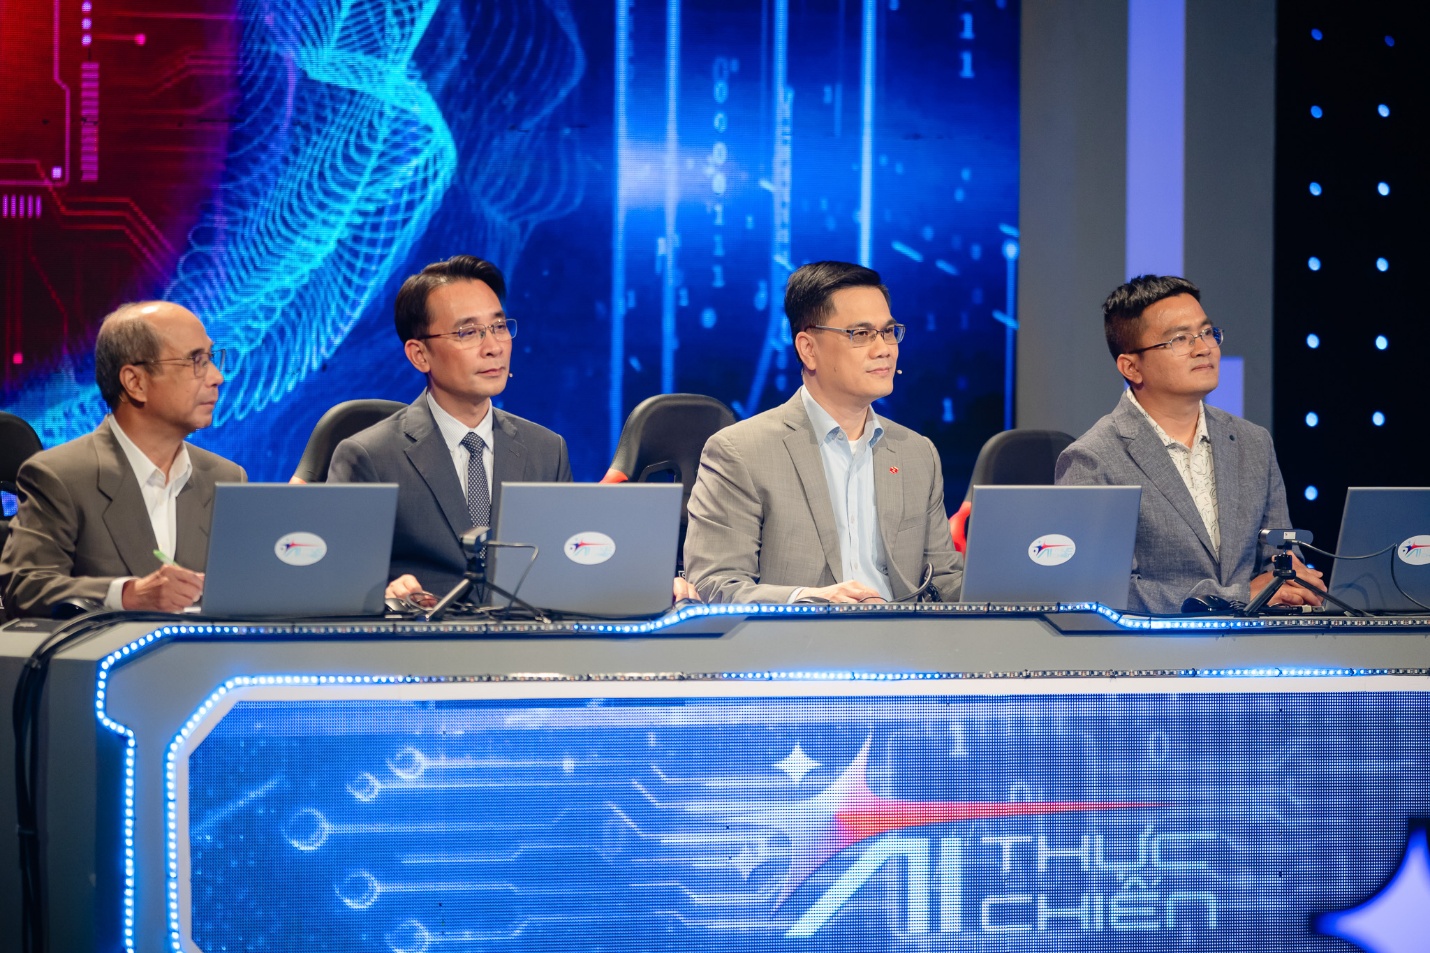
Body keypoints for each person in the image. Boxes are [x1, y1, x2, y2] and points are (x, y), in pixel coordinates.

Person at [683, 260, 964, 604]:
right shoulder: (740, 452)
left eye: (889, 332)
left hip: (903, 634)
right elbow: (714, 584)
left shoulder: (917, 453)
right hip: (797, 635)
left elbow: (944, 581)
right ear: (808, 349)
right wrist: (811, 600)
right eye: (861, 334)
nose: (884, 349)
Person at [1054, 274, 1322, 614]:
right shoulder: (1092, 459)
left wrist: (1292, 580)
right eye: (1180, 339)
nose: (1203, 348)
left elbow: (1279, 556)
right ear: (1131, 367)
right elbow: (1105, 590)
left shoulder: (1253, 442)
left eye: (1207, 332)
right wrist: (1236, 596)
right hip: (1152, 646)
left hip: (1257, 643)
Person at [328, 255, 571, 603]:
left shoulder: (547, 450)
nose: (493, 348)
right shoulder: (370, 457)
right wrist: (385, 596)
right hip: (421, 635)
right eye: (468, 333)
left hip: (525, 635)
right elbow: (339, 584)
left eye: (499, 326)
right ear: (419, 355)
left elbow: (564, 571)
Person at [0, 302, 244, 618]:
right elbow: (26, 586)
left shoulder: (226, 478)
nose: (217, 377)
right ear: (135, 382)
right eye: (196, 361)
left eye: (211, 358)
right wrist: (127, 595)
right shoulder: (60, 476)